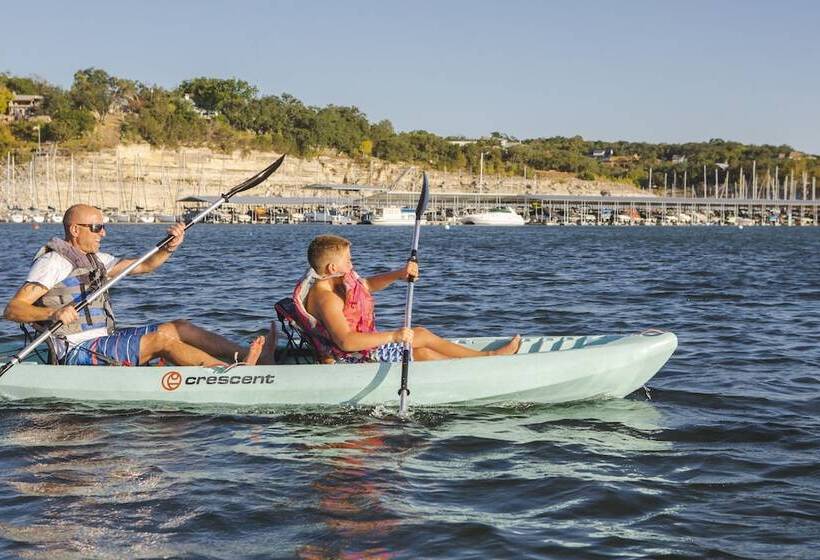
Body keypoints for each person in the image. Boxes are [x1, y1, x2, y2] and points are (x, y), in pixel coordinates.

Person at [3, 204, 274, 367]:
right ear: (75, 230)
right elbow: (13, 309)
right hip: (75, 351)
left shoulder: (96, 259)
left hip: (102, 339)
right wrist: (51, 314)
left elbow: (144, 265)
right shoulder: (53, 262)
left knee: (178, 327)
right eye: (96, 227)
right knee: (160, 340)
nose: (103, 233)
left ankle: (247, 358)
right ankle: (228, 376)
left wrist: (169, 248)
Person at [291, 234, 520, 363]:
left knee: (423, 353)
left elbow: (366, 285)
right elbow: (346, 342)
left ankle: (473, 367)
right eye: (349, 260)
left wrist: (400, 274)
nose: (352, 264)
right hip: (351, 359)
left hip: (359, 352)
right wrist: (393, 336)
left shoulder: (332, 281)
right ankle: (488, 359)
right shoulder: (327, 298)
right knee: (419, 335)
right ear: (333, 267)